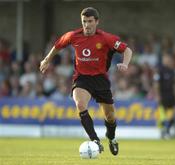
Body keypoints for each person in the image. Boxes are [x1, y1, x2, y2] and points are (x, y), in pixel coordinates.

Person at [40, 7, 132, 155]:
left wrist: (125, 64)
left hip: (100, 79)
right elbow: (57, 46)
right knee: (80, 104)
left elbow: (127, 50)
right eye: (84, 22)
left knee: (110, 116)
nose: (87, 25)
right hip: (82, 78)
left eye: (90, 21)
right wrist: (46, 59)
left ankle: (112, 138)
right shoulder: (73, 36)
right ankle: (95, 140)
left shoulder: (106, 38)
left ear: (97, 22)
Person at [153, 54, 175, 139]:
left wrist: (174, 95)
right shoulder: (160, 71)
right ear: (163, 60)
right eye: (165, 59)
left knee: (172, 114)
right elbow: (156, 84)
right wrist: (158, 95)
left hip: (171, 95)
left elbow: (174, 84)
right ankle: (163, 130)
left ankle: (167, 130)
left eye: (168, 59)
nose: (167, 60)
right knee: (162, 113)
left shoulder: (172, 71)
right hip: (163, 94)